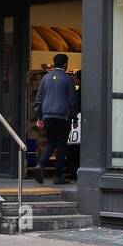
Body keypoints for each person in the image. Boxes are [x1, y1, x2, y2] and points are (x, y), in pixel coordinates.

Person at [33, 54, 79, 184]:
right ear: (65, 64)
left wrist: (39, 116)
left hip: (47, 115)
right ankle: (58, 176)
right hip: (62, 116)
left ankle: (41, 164)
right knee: (62, 145)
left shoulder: (45, 78)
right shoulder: (68, 79)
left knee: (51, 142)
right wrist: (74, 118)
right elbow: (72, 101)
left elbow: (39, 99)